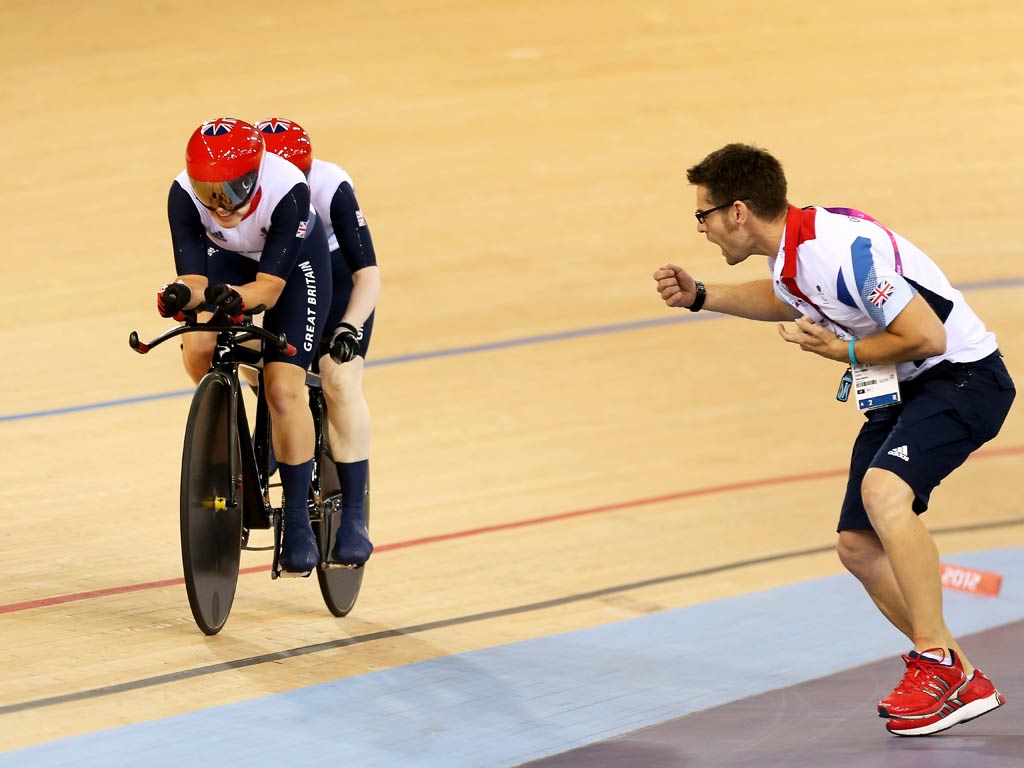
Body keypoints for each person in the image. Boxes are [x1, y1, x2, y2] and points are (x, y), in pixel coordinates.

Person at [653, 143, 1015, 737]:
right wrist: (702, 295)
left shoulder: (840, 250)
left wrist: (842, 351)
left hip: (964, 379)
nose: (704, 229)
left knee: (885, 493)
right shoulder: (791, 254)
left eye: (705, 215)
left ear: (738, 211)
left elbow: (927, 335)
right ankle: (962, 680)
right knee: (857, 546)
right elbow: (784, 297)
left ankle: (935, 661)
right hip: (905, 390)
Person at [157, 117, 333, 575]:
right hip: (231, 260)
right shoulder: (181, 195)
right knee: (197, 348)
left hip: (292, 271)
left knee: (282, 387)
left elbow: (269, 291)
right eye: (208, 193)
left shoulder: (288, 188)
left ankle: (295, 519)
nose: (220, 206)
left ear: (257, 173)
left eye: (232, 192)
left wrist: (233, 299)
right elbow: (196, 281)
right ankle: (233, 438)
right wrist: (181, 295)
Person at [255, 118, 379, 567]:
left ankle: (355, 514)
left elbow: (368, 272)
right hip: (281, 279)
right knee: (262, 364)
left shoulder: (332, 185)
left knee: (339, 379)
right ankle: (277, 425)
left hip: (338, 283)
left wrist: (349, 325)